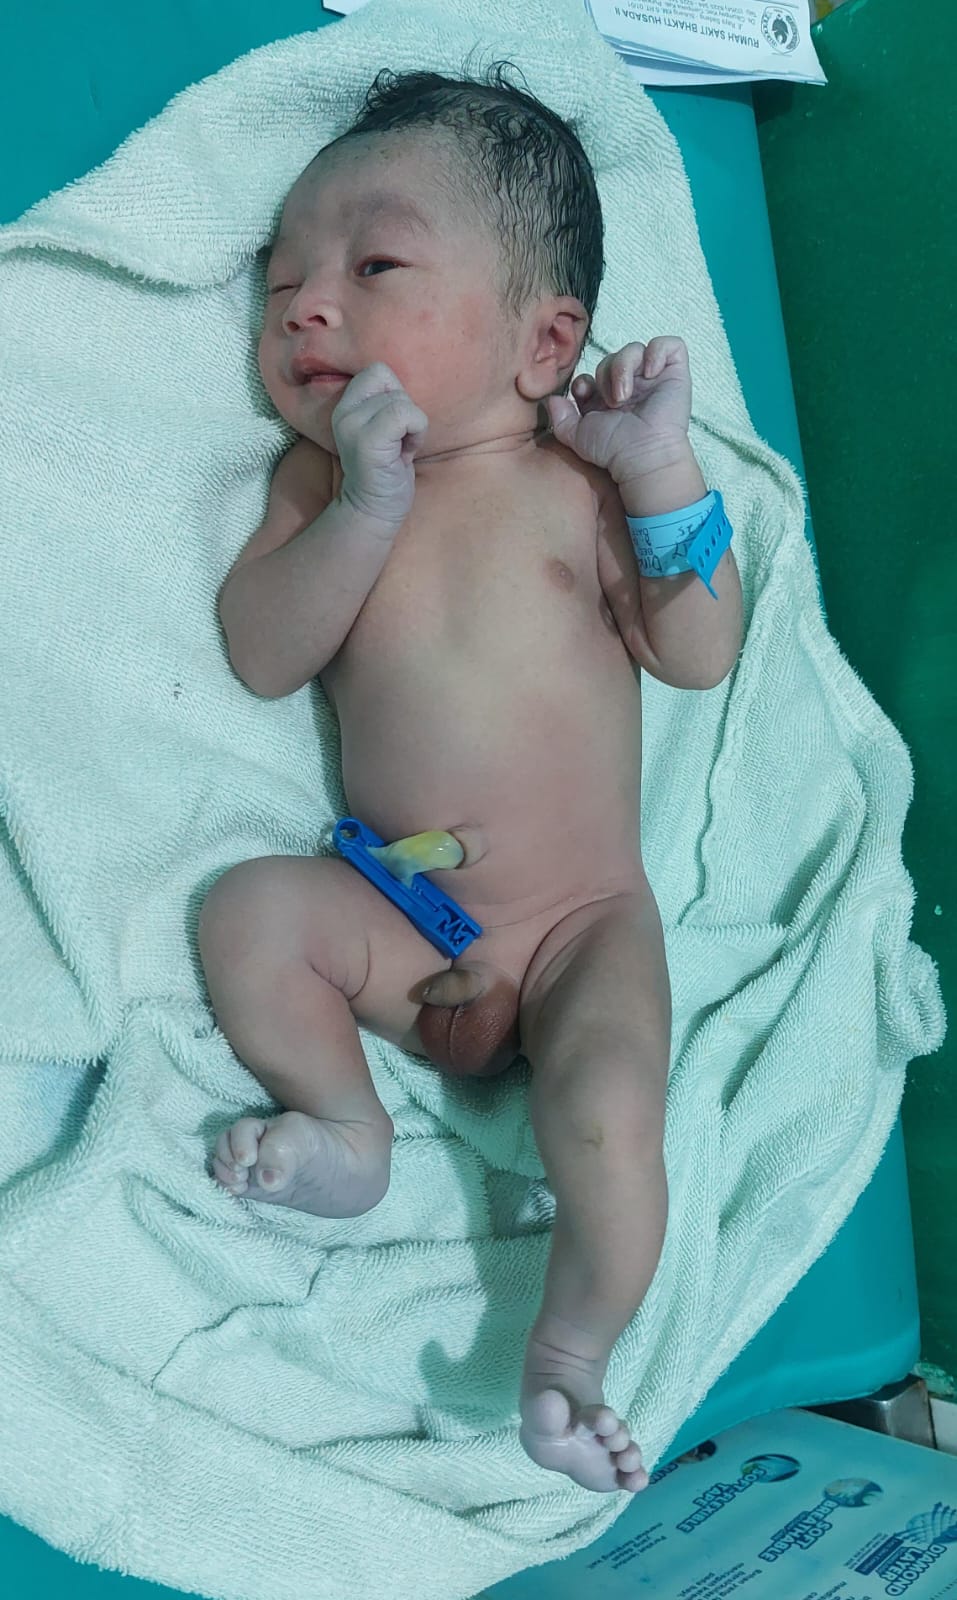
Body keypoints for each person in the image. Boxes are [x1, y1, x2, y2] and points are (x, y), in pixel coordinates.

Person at [197, 62, 744, 1492]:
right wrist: (364, 508)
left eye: (373, 268)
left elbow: (698, 650)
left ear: (542, 342)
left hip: (579, 929)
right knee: (250, 913)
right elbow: (262, 653)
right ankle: (346, 1127)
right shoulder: (316, 489)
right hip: (401, 919)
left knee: (610, 1112)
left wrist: (663, 472)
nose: (305, 306)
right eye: (282, 282)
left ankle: (569, 1359)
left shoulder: (579, 486)